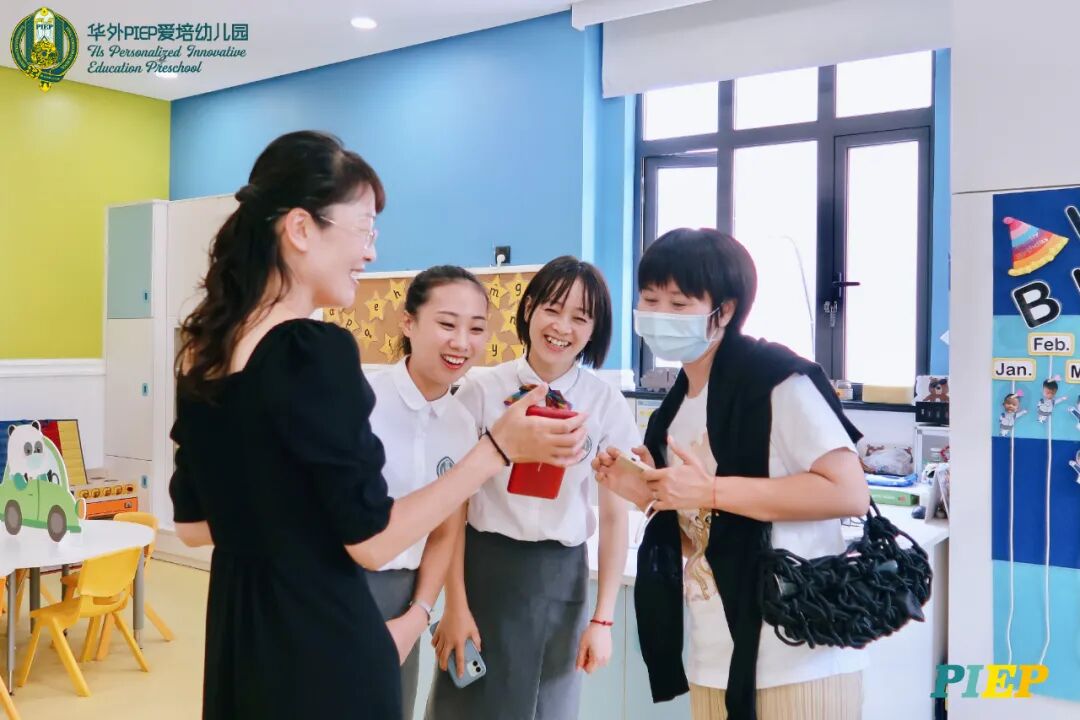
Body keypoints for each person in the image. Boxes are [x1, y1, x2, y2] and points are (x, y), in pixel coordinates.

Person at [169, 131, 589, 720]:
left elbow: (192, 525)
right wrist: (497, 448)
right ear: (300, 229)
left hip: (242, 635)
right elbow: (373, 542)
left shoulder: (204, 352)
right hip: (324, 640)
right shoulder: (314, 351)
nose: (370, 253)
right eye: (365, 230)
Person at [593, 228, 869, 720]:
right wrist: (649, 493)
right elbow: (704, 538)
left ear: (724, 311)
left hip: (797, 650)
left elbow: (849, 492)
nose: (659, 314)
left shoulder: (777, 380)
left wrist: (712, 490)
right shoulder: (672, 411)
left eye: (679, 304)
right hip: (716, 652)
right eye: (650, 300)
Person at [426, 256, 639, 720]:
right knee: (466, 705)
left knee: (547, 708)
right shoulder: (481, 391)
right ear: (529, 310)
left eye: (580, 317)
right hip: (484, 574)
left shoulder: (605, 404)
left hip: (561, 581)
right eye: (552, 309)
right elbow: (453, 508)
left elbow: (614, 516)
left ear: (594, 329)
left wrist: (603, 619)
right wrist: (455, 605)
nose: (562, 327)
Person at [366, 265, 491, 718]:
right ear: (408, 322)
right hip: (337, 587)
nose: (461, 342)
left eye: (475, 328)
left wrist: (418, 613)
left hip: (404, 598)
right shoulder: (361, 399)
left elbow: (446, 529)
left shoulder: (462, 424)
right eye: (447, 324)